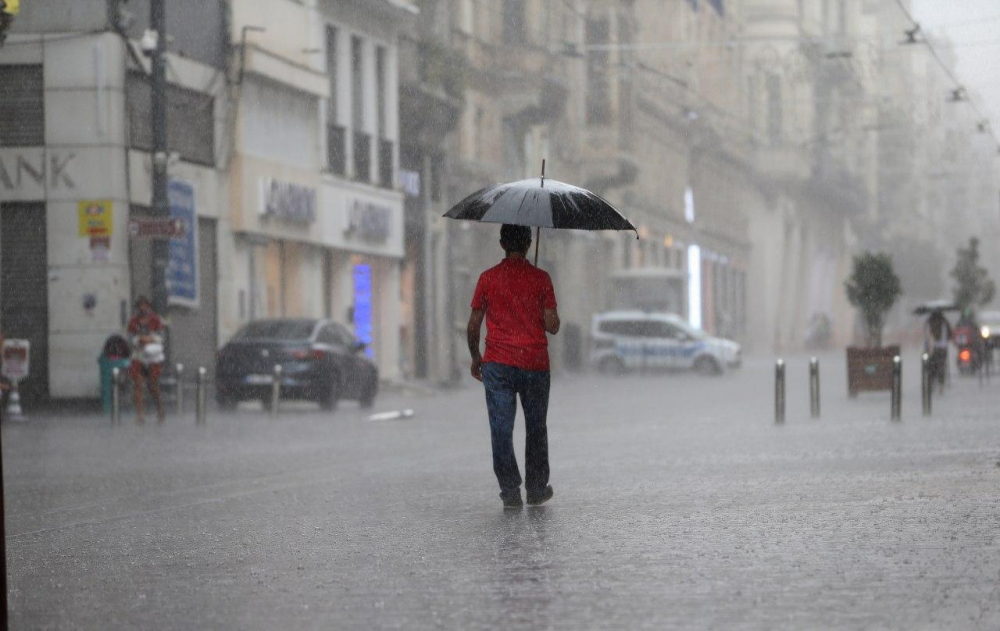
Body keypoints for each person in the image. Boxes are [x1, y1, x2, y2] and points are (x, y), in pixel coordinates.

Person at [467, 224, 560, 509]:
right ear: (530, 244)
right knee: (536, 428)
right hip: (534, 364)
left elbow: (473, 325)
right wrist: (538, 306)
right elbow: (553, 326)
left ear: (501, 244)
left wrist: (475, 356)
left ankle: (509, 490)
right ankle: (535, 488)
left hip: (498, 364)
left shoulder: (488, 278)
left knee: (501, 428)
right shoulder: (541, 279)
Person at [128, 296, 166, 423]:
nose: (143, 309)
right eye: (140, 306)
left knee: (152, 385)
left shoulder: (156, 320)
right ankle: (140, 414)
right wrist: (138, 340)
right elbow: (130, 338)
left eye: (145, 306)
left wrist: (150, 339)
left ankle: (160, 408)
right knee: (138, 384)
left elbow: (162, 337)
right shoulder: (133, 321)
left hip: (153, 357)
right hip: (138, 355)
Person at [924, 310, 952, 391]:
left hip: (932, 348)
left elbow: (927, 335)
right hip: (942, 347)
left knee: (932, 366)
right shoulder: (945, 322)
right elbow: (950, 334)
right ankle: (941, 384)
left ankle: (931, 382)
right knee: (941, 365)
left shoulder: (929, 322)